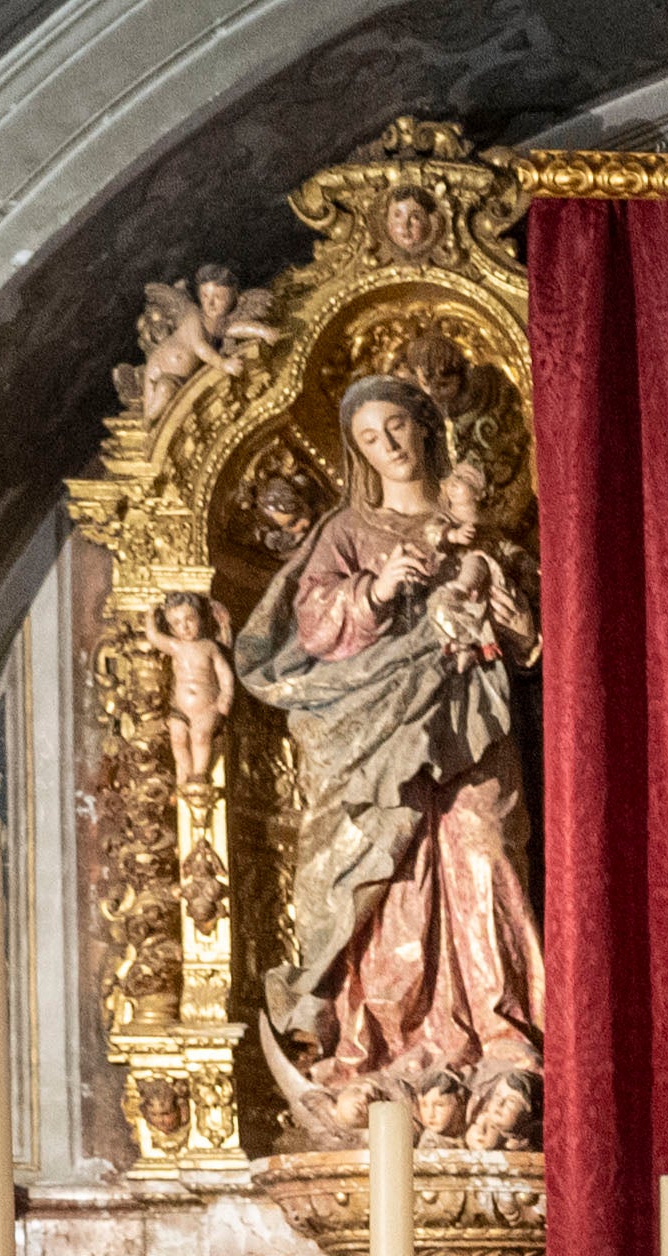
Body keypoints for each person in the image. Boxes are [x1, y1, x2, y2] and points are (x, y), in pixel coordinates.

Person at [233, 371, 543, 1142]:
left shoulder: (487, 532)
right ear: (356, 451)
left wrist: (522, 631)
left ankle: (502, 1035)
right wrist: (375, 590)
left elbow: (540, 650)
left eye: (397, 428)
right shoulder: (345, 533)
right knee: (388, 871)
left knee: (486, 852)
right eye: (370, 438)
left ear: (425, 428)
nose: (388, 446)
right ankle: (387, 1043)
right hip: (380, 734)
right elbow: (311, 629)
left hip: (475, 723)